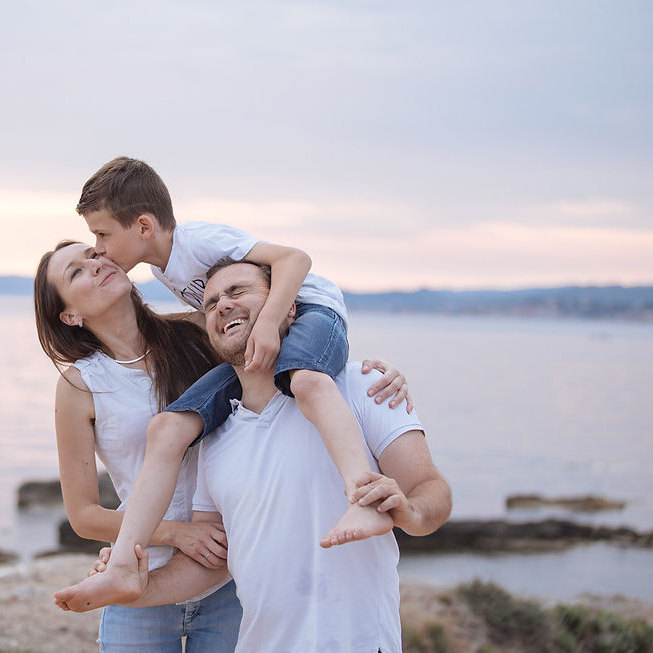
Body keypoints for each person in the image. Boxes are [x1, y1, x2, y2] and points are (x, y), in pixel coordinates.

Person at [63, 156, 411, 608]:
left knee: (306, 381)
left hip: (309, 313)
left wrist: (267, 322)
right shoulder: (161, 270)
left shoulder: (198, 240)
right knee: (165, 429)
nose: (100, 249)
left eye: (102, 235)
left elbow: (295, 259)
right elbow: (199, 317)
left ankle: (361, 495)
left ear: (144, 226)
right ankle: (124, 568)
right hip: (262, 332)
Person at [57, 258, 453, 652]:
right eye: (210, 304)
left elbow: (430, 489)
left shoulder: (361, 387)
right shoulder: (211, 439)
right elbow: (210, 559)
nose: (223, 305)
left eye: (238, 291)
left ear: (288, 306)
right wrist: (136, 589)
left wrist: (409, 513)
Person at [35, 240, 241, 651]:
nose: (95, 265)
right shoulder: (80, 385)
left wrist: (365, 373)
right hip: (140, 579)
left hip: (229, 573)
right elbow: (84, 516)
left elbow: (283, 344)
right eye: (75, 272)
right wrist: (179, 534)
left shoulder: (198, 332)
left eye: (93, 255)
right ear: (70, 315)